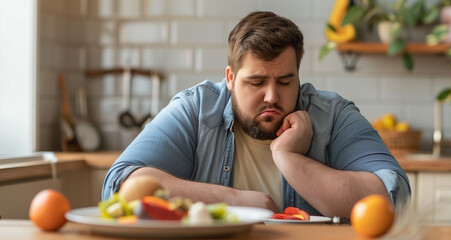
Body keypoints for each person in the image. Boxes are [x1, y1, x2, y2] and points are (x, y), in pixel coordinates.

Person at [102, 11, 410, 218]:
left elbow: (393, 198)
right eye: (256, 82)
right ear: (230, 78)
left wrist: (291, 158)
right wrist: (235, 201)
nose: (272, 96)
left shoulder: (333, 115)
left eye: (286, 81)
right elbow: (119, 186)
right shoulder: (196, 110)